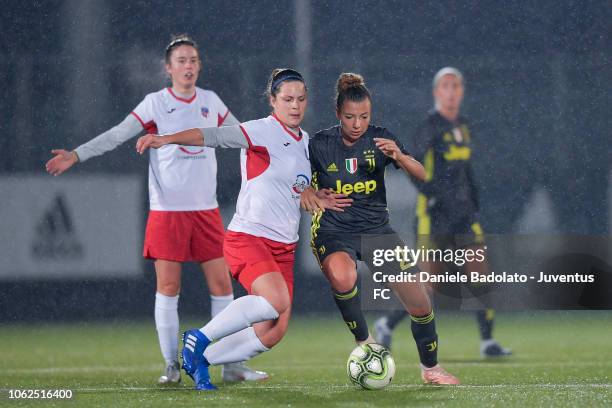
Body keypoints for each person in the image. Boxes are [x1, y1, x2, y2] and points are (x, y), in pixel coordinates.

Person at [45, 34, 268, 383]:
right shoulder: (155, 103)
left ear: (199, 65)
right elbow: (118, 134)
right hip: (168, 211)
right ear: (168, 68)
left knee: (223, 285)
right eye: (181, 60)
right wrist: (76, 154)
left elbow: (243, 136)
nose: (188, 66)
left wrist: (276, 155)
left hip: (206, 211)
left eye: (193, 60)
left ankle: (229, 365)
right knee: (168, 288)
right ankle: (171, 365)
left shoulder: (210, 101)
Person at [135, 68, 350, 390]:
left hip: (285, 246)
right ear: (273, 101)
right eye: (287, 99)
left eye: (301, 99)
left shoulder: (306, 143)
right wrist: (166, 139)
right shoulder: (259, 131)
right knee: (275, 300)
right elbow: (210, 136)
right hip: (249, 237)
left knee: (273, 331)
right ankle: (199, 337)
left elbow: (297, 188)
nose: (295, 105)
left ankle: (201, 359)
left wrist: (314, 195)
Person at [306, 73, 460, 385]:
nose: (357, 124)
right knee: (343, 275)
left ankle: (431, 369)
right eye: (350, 117)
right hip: (334, 231)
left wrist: (400, 157)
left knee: (420, 303)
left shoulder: (380, 139)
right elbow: (293, 184)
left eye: (364, 116)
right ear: (338, 114)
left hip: (378, 231)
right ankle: (364, 342)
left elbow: (423, 173)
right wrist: (308, 195)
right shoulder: (318, 145)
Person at [374, 67, 512, 358]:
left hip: (464, 215)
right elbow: (412, 166)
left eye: (456, 86)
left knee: (480, 274)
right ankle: (386, 323)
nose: (451, 91)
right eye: (445, 86)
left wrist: (473, 200)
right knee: (429, 285)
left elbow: (464, 170)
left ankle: (488, 342)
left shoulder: (462, 126)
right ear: (437, 92)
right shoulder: (429, 127)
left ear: (461, 91)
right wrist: (433, 195)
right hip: (434, 216)